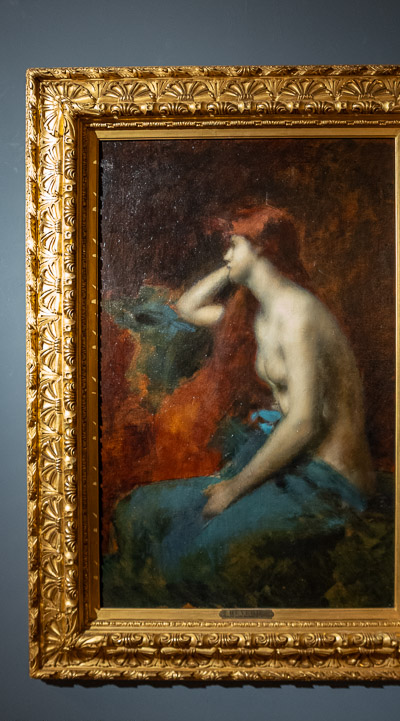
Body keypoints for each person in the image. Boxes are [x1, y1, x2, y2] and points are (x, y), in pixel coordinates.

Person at [102, 206, 375, 608]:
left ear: (262, 248)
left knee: (192, 551)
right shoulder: (257, 314)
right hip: (290, 467)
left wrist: (234, 488)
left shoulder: (298, 315)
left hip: (326, 483)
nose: (225, 255)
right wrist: (233, 270)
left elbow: (303, 422)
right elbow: (187, 308)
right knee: (138, 510)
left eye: (234, 245)